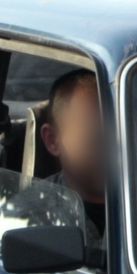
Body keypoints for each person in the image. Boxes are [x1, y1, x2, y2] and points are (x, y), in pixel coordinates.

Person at [40, 69, 107, 244]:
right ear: (53, 140)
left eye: (128, 137)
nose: (116, 153)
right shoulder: (24, 216)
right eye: (98, 140)